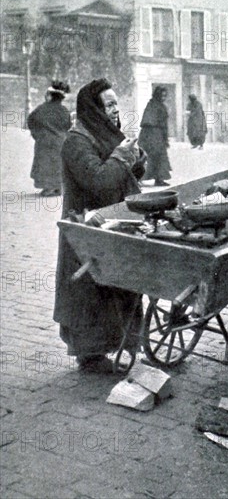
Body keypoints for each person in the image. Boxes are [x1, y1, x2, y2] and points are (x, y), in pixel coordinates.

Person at [54, 78, 147, 373]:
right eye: (108, 105)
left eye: (116, 104)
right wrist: (121, 155)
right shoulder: (76, 141)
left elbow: (124, 173)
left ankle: (120, 344)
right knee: (91, 290)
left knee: (117, 284)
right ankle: (90, 354)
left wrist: (135, 157)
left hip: (114, 220)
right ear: (92, 109)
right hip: (86, 227)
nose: (115, 110)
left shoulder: (105, 133)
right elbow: (99, 182)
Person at [27, 80, 71, 196]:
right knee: (58, 164)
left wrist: (36, 135)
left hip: (44, 141)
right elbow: (68, 125)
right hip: (60, 142)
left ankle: (49, 188)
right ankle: (57, 187)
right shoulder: (64, 111)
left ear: (51, 96)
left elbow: (31, 121)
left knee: (45, 164)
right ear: (62, 98)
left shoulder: (41, 108)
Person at [139, 86, 172, 186]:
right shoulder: (152, 105)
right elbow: (148, 122)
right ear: (157, 95)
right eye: (162, 95)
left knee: (159, 157)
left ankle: (159, 179)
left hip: (157, 135)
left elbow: (164, 124)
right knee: (149, 156)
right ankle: (138, 178)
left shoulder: (159, 106)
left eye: (165, 95)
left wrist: (165, 138)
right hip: (151, 135)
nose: (163, 97)